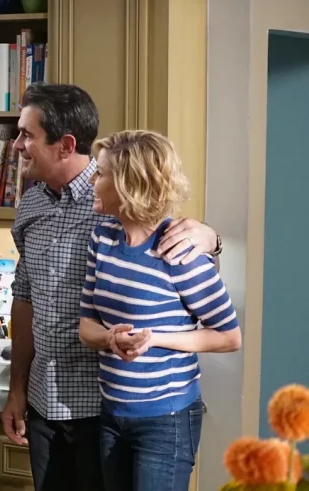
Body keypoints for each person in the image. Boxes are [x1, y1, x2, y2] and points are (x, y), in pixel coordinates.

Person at [0, 83, 224, 491]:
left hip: (101, 405)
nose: (16, 145)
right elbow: (24, 297)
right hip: (42, 401)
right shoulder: (30, 205)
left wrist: (211, 237)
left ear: (65, 145)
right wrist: (16, 389)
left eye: (26, 135)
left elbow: (172, 247)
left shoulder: (116, 197)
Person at [78, 130, 241, 491]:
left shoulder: (180, 253)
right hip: (111, 416)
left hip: (165, 422)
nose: (92, 180)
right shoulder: (102, 239)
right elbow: (86, 323)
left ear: (127, 184)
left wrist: (156, 340)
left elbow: (229, 337)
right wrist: (109, 338)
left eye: (101, 173)